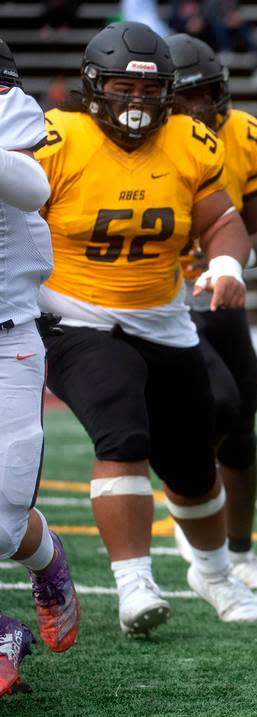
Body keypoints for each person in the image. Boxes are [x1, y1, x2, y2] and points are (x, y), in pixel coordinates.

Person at [35, 22, 257, 636]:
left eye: (149, 91)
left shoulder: (191, 140)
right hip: (74, 314)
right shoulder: (56, 139)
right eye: (121, 88)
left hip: (163, 318)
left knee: (192, 466)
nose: (136, 104)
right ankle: (134, 583)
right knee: (122, 432)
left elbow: (222, 220)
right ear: (93, 88)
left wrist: (223, 262)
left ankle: (213, 572)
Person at [166, 33, 257, 590]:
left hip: (220, 296)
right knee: (210, 409)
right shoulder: (149, 143)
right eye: (186, 98)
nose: (200, 109)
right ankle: (191, 514)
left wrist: (230, 263)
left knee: (241, 430)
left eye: (208, 94)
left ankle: (240, 552)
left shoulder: (245, 137)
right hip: (159, 297)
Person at [0, 36, 80, 698]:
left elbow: (32, 185)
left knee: (1, 517)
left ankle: (48, 562)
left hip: (6, 336)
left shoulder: (11, 108)